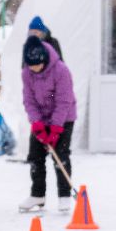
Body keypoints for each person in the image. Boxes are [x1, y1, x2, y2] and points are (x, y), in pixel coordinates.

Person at [18, 36, 78, 213]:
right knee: (35, 156)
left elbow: (64, 101)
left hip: (64, 118)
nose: (34, 69)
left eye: (37, 65)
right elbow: (29, 100)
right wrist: (37, 123)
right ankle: (38, 195)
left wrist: (55, 129)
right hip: (41, 119)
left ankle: (64, 196)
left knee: (61, 155)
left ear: (44, 59)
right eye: (31, 65)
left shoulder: (61, 70)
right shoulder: (26, 73)